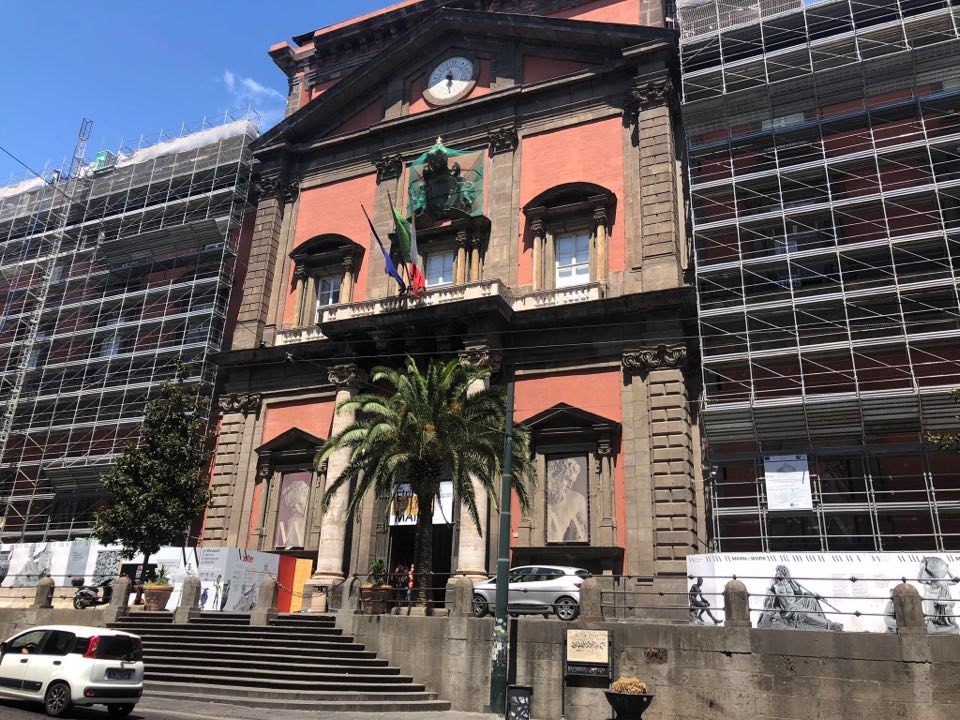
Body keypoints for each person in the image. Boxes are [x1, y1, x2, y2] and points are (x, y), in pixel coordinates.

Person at [757, 565, 843, 631]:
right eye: (780, 570)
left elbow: (799, 593)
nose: (781, 572)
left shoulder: (790, 582)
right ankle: (829, 625)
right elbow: (768, 597)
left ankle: (823, 621)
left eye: (784, 570)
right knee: (804, 614)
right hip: (787, 609)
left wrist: (808, 594)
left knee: (811, 600)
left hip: (796, 602)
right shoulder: (774, 583)